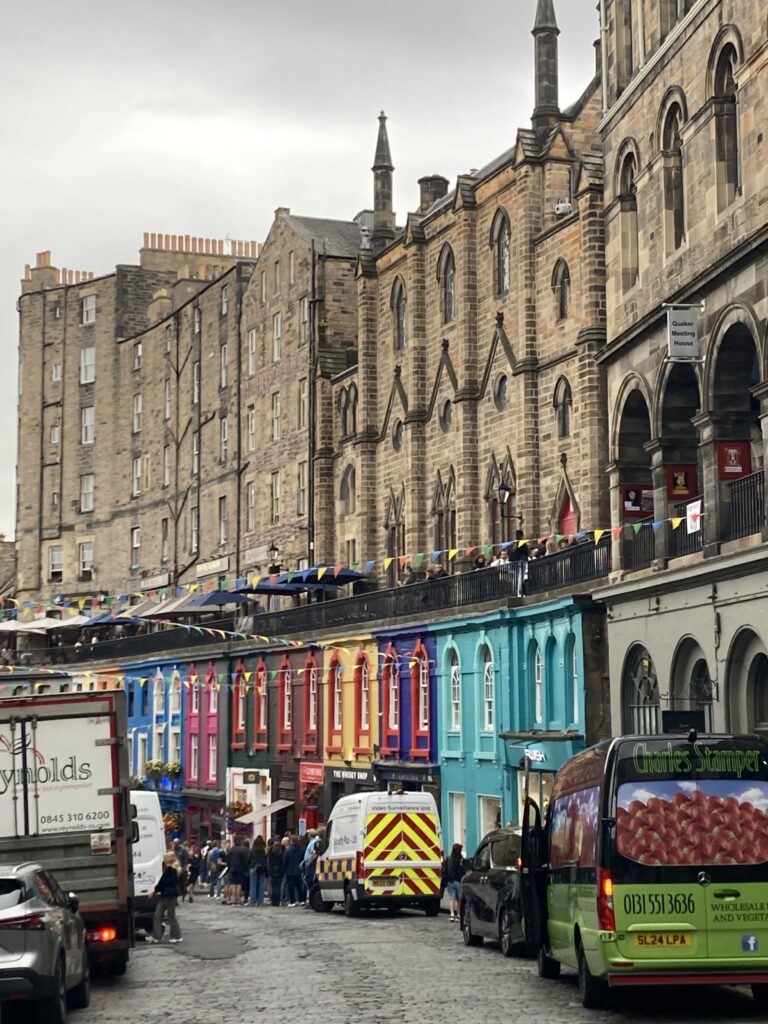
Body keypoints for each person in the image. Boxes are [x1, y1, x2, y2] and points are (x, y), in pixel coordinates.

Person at [147, 856, 182, 944]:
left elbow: (163, 882)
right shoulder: (174, 870)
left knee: (162, 915)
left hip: (167, 895)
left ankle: (168, 936)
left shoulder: (170, 870)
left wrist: (155, 891)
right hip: (171, 895)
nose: (163, 860)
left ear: (168, 860)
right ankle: (175, 936)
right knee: (168, 915)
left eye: (165, 858)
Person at [442, 843, 468, 923]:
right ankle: (459, 915)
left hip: (451, 881)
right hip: (459, 881)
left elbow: (444, 869)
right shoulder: (461, 859)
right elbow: (465, 870)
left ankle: (452, 914)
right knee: (459, 899)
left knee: (451, 898)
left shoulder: (449, 858)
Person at [284, 834, 304, 907]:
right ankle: (301, 900)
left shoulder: (288, 850)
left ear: (291, 841)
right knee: (299, 887)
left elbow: (285, 860)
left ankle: (292, 901)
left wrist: (285, 869)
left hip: (290, 871)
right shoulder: (301, 849)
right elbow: (303, 859)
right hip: (298, 870)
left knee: (291, 887)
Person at [248, 835, 267, 907]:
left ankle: (253, 901)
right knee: (261, 886)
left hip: (253, 868)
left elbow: (248, 860)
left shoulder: (252, 851)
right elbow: (265, 860)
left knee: (253, 886)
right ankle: (260, 902)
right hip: (261, 869)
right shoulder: (263, 852)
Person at [267, 838, 284, 907]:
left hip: (272, 871)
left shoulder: (271, 853)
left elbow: (269, 862)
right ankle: (278, 901)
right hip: (279, 871)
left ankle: (273, 901)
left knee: (273, 887)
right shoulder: (281, 853)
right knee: (278, 887)